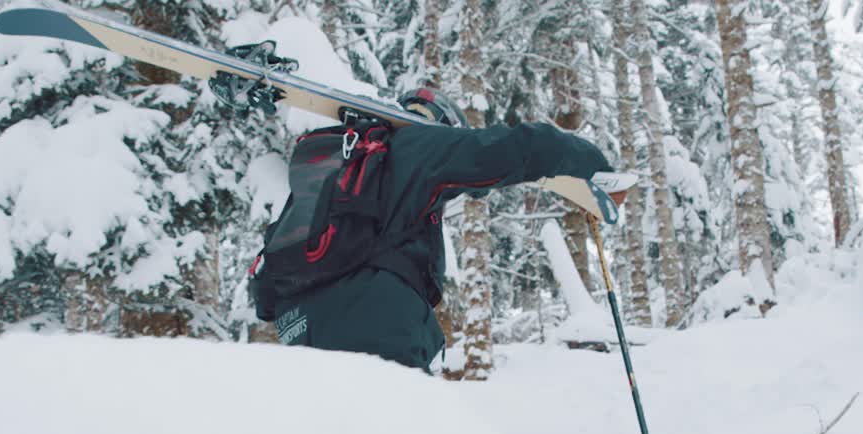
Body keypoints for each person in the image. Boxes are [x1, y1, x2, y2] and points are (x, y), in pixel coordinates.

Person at [248, 88, 611, 371]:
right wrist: (591, 165)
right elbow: (502, 150)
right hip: (375, 328)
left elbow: (266, 293)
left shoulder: (340, 173)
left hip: (298, 330)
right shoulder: (417, 146)